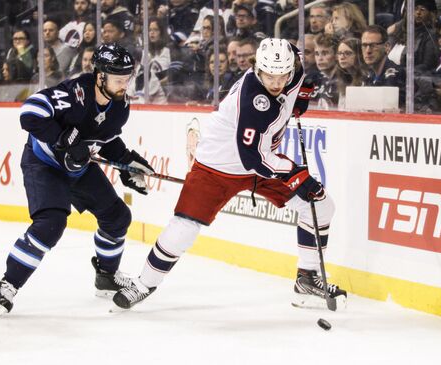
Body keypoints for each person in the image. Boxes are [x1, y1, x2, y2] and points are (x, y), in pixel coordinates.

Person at [111, 38, 347, 310]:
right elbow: (254, 158)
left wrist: (302, 90)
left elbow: (297, 63)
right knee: (185, 226)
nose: (276, 83)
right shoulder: (254, 101)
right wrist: (297, 176)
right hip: (218, 167)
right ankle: (144, 283)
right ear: (257, 68)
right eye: (269, 76)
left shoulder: (290, 62)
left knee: (320, 205)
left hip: (261, 159)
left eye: (282, 76)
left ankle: (306, 279)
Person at [0, 43, 155, 317]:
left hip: (78, 167)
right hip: (44, 164)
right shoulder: (75, 93)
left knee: (117, 216)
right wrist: (63, 139)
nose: (124, 84)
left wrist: (126, 162)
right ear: (100, 76)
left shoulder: (120, 105)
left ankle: (106, 276)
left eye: (127, 78)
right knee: (51, 224)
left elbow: (105, 138)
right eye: (118, 78)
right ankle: (7, 286)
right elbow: (30, 112)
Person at [361, 25, 406, 108]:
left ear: (386, 47)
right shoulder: (369, 74)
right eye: (364, 45)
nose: (368, 51)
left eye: (373, 45)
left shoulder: (394, 74)